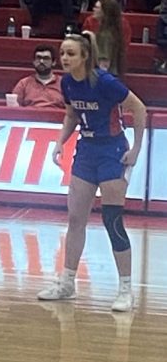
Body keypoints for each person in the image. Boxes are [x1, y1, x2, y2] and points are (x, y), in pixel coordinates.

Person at [37, 33, 145, 312]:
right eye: (62, 53)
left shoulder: (105, 82)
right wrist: (61, 141)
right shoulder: (67, 82)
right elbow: (72, 115)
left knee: (112, 221)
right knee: (75, 219)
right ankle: (67, 282)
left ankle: (125, 290)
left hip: (112, 151)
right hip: (86, 151)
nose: (64, 58)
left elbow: (139, 108)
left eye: (70, 54)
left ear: (85, 56)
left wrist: (135, 149)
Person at [82, 0, 131, 77]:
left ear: (104, 11)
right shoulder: (113, 30)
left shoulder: (105, 35)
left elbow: (104, 61)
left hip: (104, 74)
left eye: (96, 7)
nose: (93, 9)